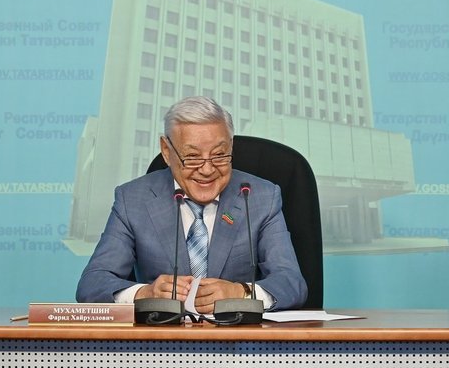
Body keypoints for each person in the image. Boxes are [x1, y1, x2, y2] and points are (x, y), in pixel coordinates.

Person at [76, 96, 307, 313]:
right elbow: (92, 284)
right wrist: (146, 293)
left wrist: (241, 293)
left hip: (239, 337)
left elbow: (291, 283)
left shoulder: (260, 198)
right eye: (193, 157)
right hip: (161, 339)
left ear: (231, 147)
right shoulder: (133, 199)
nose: (207, 170)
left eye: (219, 155)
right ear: (167, 151)